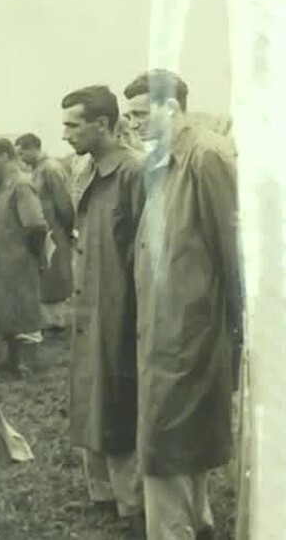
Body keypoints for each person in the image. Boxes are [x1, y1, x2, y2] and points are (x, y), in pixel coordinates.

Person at [124, 70, 241, 540]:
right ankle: (199, 523)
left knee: (165, 444)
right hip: (165, 330)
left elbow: (231, 254)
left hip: (191, 333)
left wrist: (236, 335)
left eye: (137, 114)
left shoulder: (206, 156)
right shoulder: (165, 161)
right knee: (177, 439)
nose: (128, 124)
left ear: (170, 108)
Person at [62, 85, 146, 536]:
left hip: (120, 311)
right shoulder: (84, 170)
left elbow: (145, 248)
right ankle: (103, 494)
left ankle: (131, 504)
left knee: (117, 403)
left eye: (73, 125)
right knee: (89, 400)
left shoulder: (133, 172)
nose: (65, 134)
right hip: (88, 307)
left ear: (102, 123)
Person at [0, 138, 48, 377]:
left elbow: (35, 225)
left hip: (18, 260)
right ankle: (12, 361)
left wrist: (30, 255)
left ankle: (28, 364)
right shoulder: (2, 185)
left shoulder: (21, 185)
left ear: (4, 157)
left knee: (25, 311)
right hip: (3, 262)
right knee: (8, 311)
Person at [16, 133, 75, 332]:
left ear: (34, 148)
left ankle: (57, 321)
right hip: (45, 229)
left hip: (56, 229)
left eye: (23, 152)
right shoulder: (37, 170)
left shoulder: (51, 169)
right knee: (46, 273)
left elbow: (64, 203)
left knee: (55, 272)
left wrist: (66, 230)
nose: (21, 157)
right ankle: (50, 319)